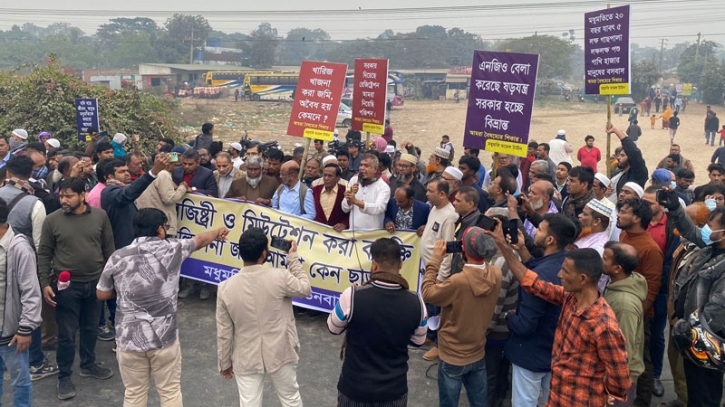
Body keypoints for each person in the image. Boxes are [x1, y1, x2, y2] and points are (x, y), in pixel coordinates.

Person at [487, 225, 632, 406]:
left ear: (582, 279)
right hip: (558, 395)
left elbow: (620, 377)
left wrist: (608, 395)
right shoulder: (570, 298)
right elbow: (533, 283)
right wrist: (504, 246)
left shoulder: (604, 325)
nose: (559, 275)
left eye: (565, 271)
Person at [97, 209, 228, 407]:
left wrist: (125, 290)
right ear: (160, 230)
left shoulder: (117, 257)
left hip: (128, 340)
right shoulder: (173, 249)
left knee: (133, 393)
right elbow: (200, 240)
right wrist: (217, 232)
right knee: (169, 392)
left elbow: (102, 293)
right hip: (164, 339)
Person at [38, 178, 116, 400]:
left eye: (69, 196)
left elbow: (109, 249)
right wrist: (45, 283)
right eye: (61, 195)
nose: (63, 200)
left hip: (96, 283)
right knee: (67, 334)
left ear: (83, 195)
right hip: (66, 287)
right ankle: (64, 376)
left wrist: (112, 280)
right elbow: (44, 253)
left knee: (91, 327)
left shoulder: (100, 216)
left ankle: (88, 364)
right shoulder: (52, 220)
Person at [216, 227, 310, 407]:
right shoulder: (280, 277)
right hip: (280, 351)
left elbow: (224, 331)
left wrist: (225, 362)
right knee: (291, 400)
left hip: (246, 356)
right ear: (264, 253)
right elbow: (305, 289)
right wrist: (293, 258)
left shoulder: (225, 287)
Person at [327, 238, 427, 407]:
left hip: (354, 390)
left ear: (374, 264)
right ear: (401, 263)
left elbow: (333, 328)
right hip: (393, 392)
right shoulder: (417, 302)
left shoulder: (352, 295)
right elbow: (419, 341)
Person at [422, 229, 502, 407]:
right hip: (477, 351)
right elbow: (472, 285)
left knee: (449, 403)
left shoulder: (458, 281)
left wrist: (435, 260)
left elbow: (427, 293)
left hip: (452, 354)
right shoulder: (495, 273)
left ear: (463, 250)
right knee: (479, 402)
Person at [503, 213, 577, 406]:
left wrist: (509, 317)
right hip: (554, 350)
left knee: (524, 402)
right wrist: (521, 249)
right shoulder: (564, 262)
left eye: (540, 229)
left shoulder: (542, 274)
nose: (535, 231)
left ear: (550, 239)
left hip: (531, 353)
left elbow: (526, 325)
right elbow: (536, 268)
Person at [659, 190, 725, 406]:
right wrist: (675, 209)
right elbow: (692, 232)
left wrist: (689, 328)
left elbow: (716, 309)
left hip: (707, 341)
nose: (705, 229)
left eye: (710, 226)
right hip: (691, 337)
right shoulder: (710, 248)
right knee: (695, 390)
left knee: (704, 395)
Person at [615, 198, 663, 407]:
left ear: (636, 218)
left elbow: (651, 288)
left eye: (624, 211)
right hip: (619, 309)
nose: (619, 215)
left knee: (640, 359)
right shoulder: (624, 235)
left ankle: (641, 401)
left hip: (638, 315)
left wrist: (637, 317)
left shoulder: (649, 248)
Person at [0, 198, 42, 406]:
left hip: (11, 334)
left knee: (20, 380)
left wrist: (25, 329)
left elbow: (31, 293)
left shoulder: (19, 248)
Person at [602, 242, 647, 407]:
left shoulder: (624, 304)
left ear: (617, 268)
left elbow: (623, 349)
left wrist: (609, 384)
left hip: (619, 380)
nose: (601, 261)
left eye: (605, 259)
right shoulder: (616, 284)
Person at [135, 153, 189, 236]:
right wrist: (183, 188)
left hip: (146, 222)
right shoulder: (164, 174)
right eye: (174, 165)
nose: (174, 168)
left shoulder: (151, 173)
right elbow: (169, 199)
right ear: (167, 164)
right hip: (160, 226)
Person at [342, 154, 390, 230]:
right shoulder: (354, 180)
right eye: (361, 165)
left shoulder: (383, 186)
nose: (362, 168)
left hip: (371, 236)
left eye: (366, 166)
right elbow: (344, 208)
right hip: (353, 233)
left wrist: (356, 201)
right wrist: (349, 199)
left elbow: (379, 208)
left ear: (375, 169)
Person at [606, 124, 648, 200]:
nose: (618, 158)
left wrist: (616, 131)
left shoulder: (637, 174)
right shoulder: (617, 173)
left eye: (622, 155)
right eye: (619, 155)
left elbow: (634, 153)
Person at [449, 187, 486, 275]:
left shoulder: (477, 227)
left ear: (470, 204)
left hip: (466, 276)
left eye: (458, 201)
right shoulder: (463, 219)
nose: (454, 203)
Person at [312, 163, 349, 232]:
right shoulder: (315, 190)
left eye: (330, 176)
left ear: (338, 178)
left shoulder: (345, 191)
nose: (326, 178)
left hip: (337, 234)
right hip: (317, 232)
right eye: (325, 175)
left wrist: (344, 224)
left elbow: (350, 213)